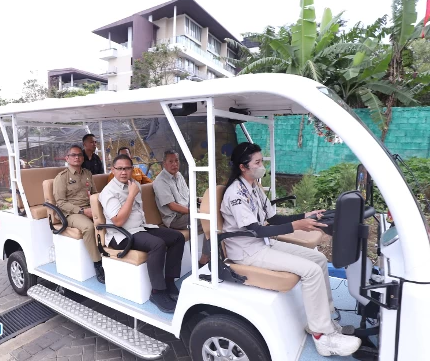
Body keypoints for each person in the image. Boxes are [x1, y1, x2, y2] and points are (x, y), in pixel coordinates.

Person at [219, 142, 361, 357]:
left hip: (262, 244)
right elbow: (256, 230)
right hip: (247, 251)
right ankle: (323, 337)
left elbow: (273, 218)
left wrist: (304, 216)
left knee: (319, 259)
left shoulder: (254, 187)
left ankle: (324, 319)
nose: (261, 165)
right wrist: (295, 227)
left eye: (261, 161)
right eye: (257, 162)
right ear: (243, 167)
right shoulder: (235, 194)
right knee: (311, 271)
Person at [99, 154, 184, 313]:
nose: (123, 172)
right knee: (157, 244)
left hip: (140, 227)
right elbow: (118, 221)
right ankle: (157, 292)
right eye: (119, 169)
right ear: (113, 170)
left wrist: (133, 192)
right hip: (121, 235)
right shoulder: (109, 191)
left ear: (132, 169)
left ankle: (169, 281)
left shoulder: (134, 184)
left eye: (127, 168)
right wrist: (131, 195)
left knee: (176, 237)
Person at [53, 145, 105, 283]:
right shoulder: (62, 177)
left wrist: (96, 207)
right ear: (67, 158)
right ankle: (98, 264)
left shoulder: (87, 173)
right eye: (73, 155)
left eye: (79, 155)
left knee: (109, 220)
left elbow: (94, 193)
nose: (77, 157)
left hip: (89, 207)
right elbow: (61, 203)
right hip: (70, 212)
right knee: (88, 227)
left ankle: (109, 255)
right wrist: (82, 211)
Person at [153, 150, 210, 266]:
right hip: (175, 219)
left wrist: (200, 199)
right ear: (164, 163)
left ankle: (216, 254)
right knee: (208, 220)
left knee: (214, 212)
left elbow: (186, 198)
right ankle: (204, 259)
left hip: (186, 213)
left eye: (176, 161)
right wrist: (196, 212)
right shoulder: (160, 181)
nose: (174, 164)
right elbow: (173, 206)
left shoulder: (178, 176)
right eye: (171, 161)